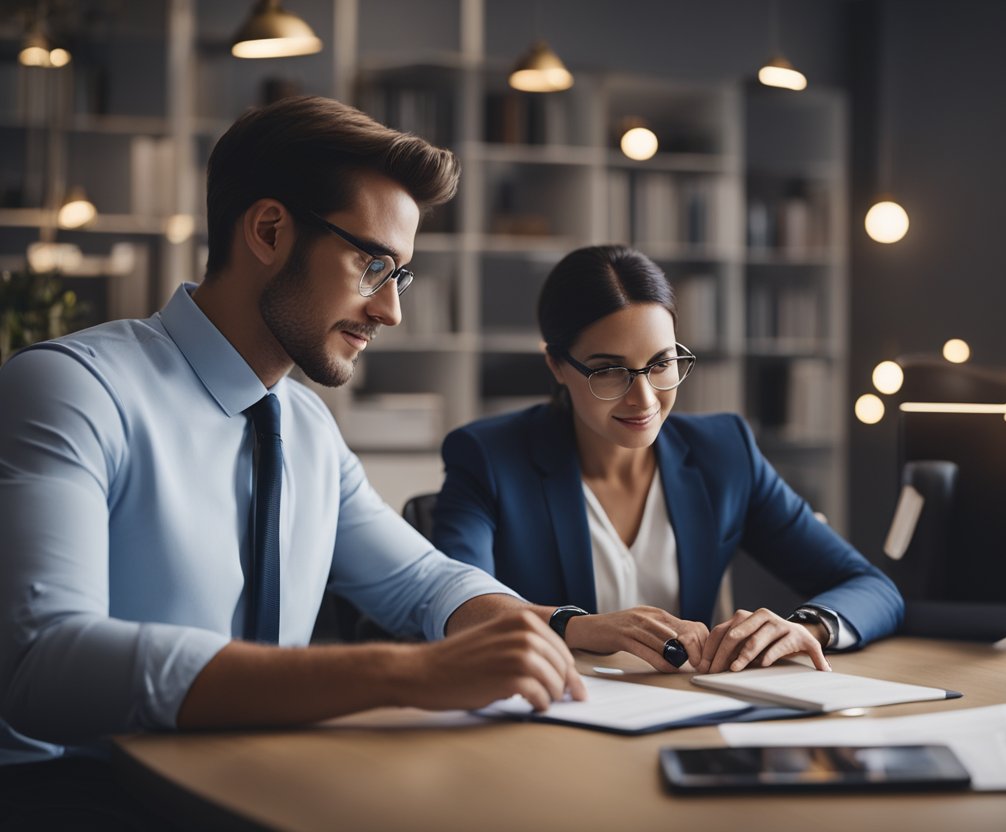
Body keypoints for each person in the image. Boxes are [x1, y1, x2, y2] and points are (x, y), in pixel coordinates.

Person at [0, 96, 585, 809]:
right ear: (270, 231)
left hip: (265, 789)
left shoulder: (305, 427)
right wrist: (403, 674)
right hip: (78, 798)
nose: (390, 311)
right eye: (373, 265)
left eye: (398, 276)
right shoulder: (71, 388)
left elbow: (424, 584)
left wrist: (558, 628)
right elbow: (41, 667)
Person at [432, 245, 903, 675]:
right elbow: (454, 607)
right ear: (556, 365)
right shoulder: (489, 457)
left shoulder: (724, 452)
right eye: (609, 371)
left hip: (687, 717)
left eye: (661, 364)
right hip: (550, 720)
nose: (644, 399)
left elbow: (872, 587)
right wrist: (579, 627)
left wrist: (806, 627)